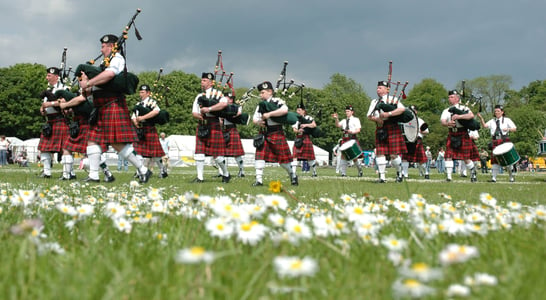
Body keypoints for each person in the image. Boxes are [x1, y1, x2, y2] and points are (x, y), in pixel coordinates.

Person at [78, 34, 151, 183]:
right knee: (92, 140)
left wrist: (89, 82)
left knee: (116, 142)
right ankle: (93, 175)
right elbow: (95, 87)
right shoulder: (104, 64)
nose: (101, 49)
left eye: (103, 46)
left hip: (112, 105)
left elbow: (109, 75)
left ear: (111, 46)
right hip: (100, 106)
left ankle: (143, 169)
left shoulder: (117, 59)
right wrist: (85, 85)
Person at [57, 90, 115, 182]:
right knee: (66, 147)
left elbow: (80, 100)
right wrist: (69, 110)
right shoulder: (78, 97)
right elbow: (75, 108)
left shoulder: (86, 92)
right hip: (79, 125)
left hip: (87, 125)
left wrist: (65, 104)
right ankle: (66, 174)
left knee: (92, 153)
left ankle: (107, 173)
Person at [252, 81, 298, 186]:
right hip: (263, 133)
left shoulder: (277, 101)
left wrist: (269, 114)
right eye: (260, 93)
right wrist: (259, 122)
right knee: (260, 156)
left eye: (262, 92)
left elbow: (285, 110)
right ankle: (259, 180)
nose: (260, 95)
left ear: (270, 92)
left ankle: (292, 175)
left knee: (283, 160)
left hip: (276, 131)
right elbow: (255, 119)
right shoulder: (260, 105)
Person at [191, 72, 230, 183]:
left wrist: (209, 109)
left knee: (217, 155)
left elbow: (224, 104)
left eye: (204, 81)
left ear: (211, 82)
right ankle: (200, 177)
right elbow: (194, 112)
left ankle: (226, 174)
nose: (202, 82)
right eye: (201, 80)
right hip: (202, 124)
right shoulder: (199, 96)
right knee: (199, 152)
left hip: (214, 124)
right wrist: (201, 116)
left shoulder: (218, 94)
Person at [367, 80, 407, 183]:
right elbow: (369, 116)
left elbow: (402, 109)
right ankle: (382, 177)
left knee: (393, 155)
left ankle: (399, 172)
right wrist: (377, 119)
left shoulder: (392, 99)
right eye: (377, 88)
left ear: (387, 89)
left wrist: (388, 114)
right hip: (380, 128)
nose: (378, 90)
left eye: (380, 88)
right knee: (380, 153)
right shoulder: (374, 102)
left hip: (392, 127)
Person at [440, 90, 479, 182]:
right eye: (449, 97)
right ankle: (449, 177)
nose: (450, 98)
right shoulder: (446, 110)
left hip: (462, 133)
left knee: (466, 158)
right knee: (448, 155)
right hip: (452, 133)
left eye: (452, 97)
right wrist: (448, 123)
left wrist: (459, 116)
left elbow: (471, 116)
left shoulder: (463, 108)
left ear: (457, 98)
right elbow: (442, 121)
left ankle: (473, 173)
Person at [37, 67, 69, 178]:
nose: (47, 77)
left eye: (49, 76)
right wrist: (43, 109)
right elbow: (45, 105)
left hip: (60, 120)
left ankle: (68, 173)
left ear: (56, 76)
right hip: (49, 121)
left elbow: (64, 102)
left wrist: (49, 104)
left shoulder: (63, 88)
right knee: (44, 148)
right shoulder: (49, 90)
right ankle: (46, 172)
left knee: (64, 148)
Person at [132, 84, 168, 178]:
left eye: (143, 92)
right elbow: (133, 116)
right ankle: (139, 171)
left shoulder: (152, 102)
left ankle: (162, 170)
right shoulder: (138, 104)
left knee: (155, 154)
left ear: (148, 93)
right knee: (138, 152)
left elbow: (156, 111)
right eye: (140, 92)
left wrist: (143, 117)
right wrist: (135, 121)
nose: (141, 94)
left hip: (150, 128)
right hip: (140, 129)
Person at [477, 104, 517, 182]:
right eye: (495, 111)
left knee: (507, 160)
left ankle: (511, 177)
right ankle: (493, 178)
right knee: (495, 160)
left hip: (504, 140)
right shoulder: (492, 121)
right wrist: (481, 118)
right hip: (495, 141)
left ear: (502, 112)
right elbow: (485, 126)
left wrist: (508, 129)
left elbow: (514, 129)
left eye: (498, 111)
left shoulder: (507, 120)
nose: (496, 113)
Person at [332, 105, 363, 178]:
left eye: (348, 111)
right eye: (346, 111)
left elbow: (358, 130)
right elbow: (338, 125)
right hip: (345, 139)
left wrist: (351, 131)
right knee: (343, 155)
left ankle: (360, 170)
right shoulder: (344, 120)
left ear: (352, 112)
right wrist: (336, 119)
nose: (347, 113)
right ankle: (343, 173)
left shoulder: (356, 119)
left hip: (352, 138)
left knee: (354, 156)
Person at [400, 106, 430, 180]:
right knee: (405, 158)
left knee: (421, 159)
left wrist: (420, 131)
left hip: (417, 140)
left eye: (413, 111)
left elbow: (426, 131)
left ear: (416, 112)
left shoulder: (420, 121)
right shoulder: (405, 120)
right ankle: (405, 174)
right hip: (407, 140)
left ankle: (426, 173)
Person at [222, 93, 246, 177]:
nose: (229, 100)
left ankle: (242, 171)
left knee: (237, 153)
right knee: (220, 152)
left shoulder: (237, 107)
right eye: (228, 98)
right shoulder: (222, 106)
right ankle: (222, 172)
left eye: (230, 98)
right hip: (223, 129)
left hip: (232, 129)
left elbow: (239, 113)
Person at [291, 102, 318, 177]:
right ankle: (293, 173)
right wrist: (298, 131)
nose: (297, 111)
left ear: (303, 111)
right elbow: (294, 129)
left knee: (310, 157)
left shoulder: (308, 118)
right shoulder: (295, 119)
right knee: (295, 156)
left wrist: (306, 125)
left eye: (299, 110)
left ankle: (314, 172)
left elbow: (314, 125)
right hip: (298, 138)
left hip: (306, 138)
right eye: (297, 110)